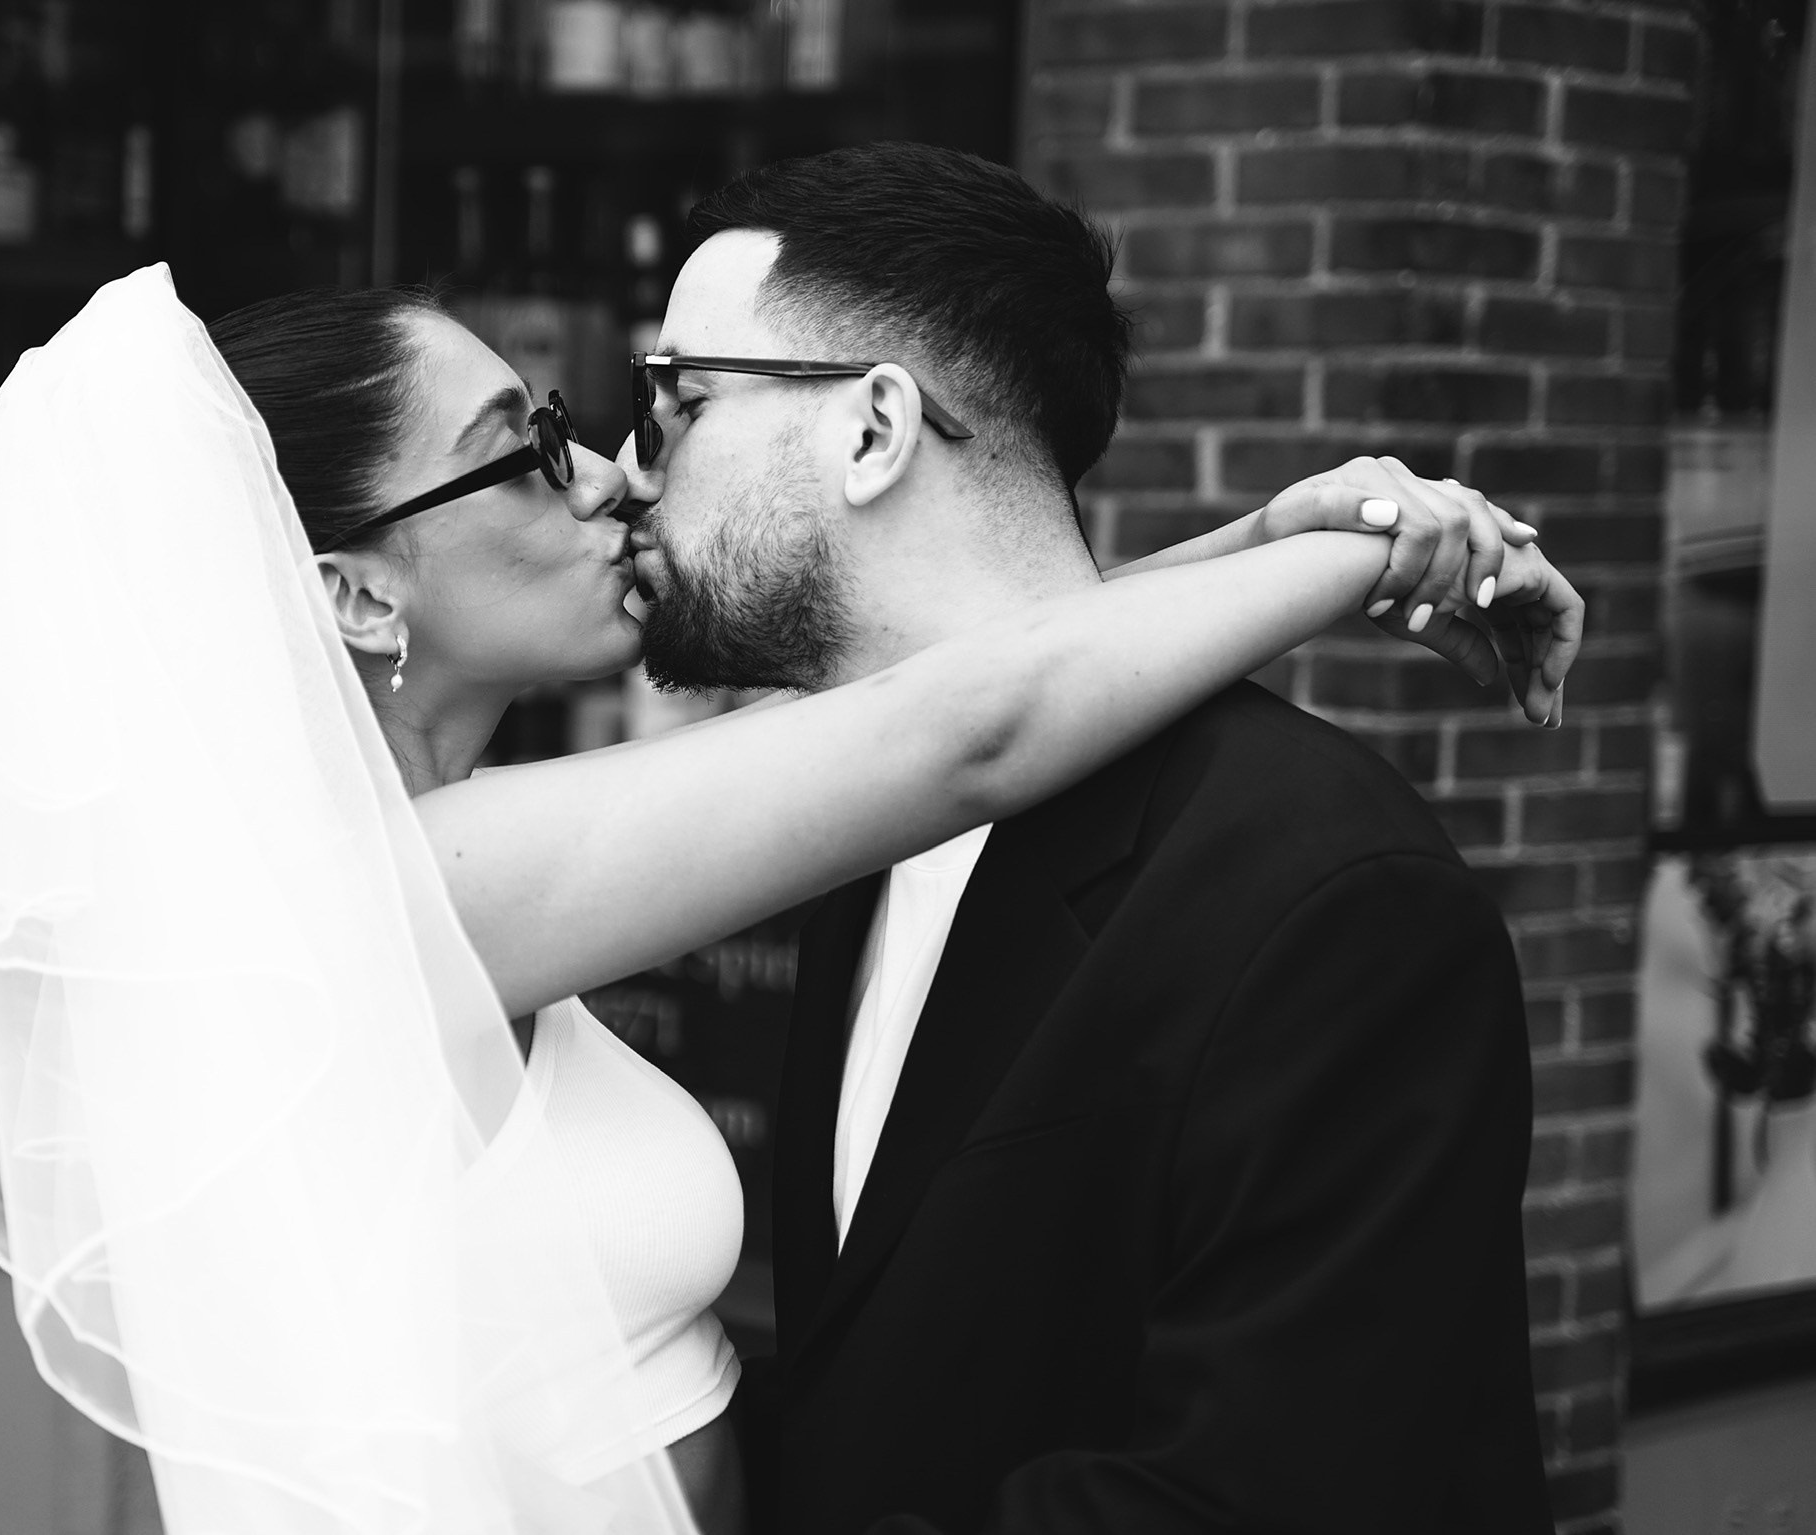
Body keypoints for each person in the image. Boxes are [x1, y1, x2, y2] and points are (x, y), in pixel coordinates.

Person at [0, 244, 1575, 1533]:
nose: (609, 473)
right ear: (352, 593)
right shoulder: (400, 894)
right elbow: (960, 731)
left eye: (625, 411)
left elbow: (935, 707)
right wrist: (1351, 550)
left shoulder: (442, 851)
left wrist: (1250, 547)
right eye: (526, 444)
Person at [618, 142, 1564, 1534]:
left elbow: (1268, 1499)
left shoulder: (1327, 897)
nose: (634, 475)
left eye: (678, 404)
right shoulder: (867, 828)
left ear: (873, 431)